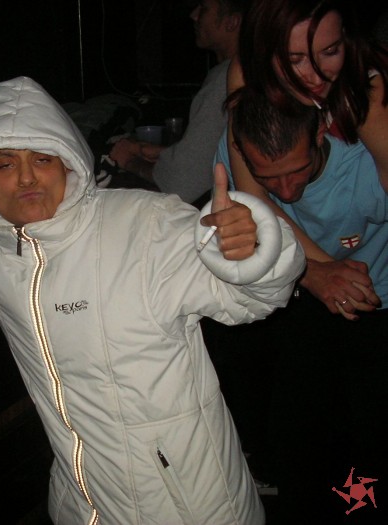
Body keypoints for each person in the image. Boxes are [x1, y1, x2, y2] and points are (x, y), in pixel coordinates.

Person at [0, 76, 305, 524]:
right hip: (84, 503)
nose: (26, 177)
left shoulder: (145, 227)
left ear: (67, 162)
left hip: (189, 506)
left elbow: (253, 297)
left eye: (42, 159)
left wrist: (251, 248)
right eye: (5, 164)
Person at [216, 87, 388, 524]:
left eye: (297, 170)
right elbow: (250, 235)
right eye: (269, 178)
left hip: (379, 295)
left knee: (371, 437)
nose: (286, 189)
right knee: (297, 433)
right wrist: (313, 272)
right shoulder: (235, 150)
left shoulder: (364, 162)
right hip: (296, 292)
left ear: (319, 136)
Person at [226, 0, 388, 319]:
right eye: (294, 59)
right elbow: (252, 197)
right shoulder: (246, 75)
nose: (315, 76)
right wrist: (317, 271)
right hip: (299, 276)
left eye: (330, 52)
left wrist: (337, 280)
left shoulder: (367, 95)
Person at [108, 0, 248, 205]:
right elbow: (219, 155)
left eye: (204, 8)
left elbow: (181, 184)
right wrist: (162, 153)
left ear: (231, 22)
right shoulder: (254, 69)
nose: (194, 15)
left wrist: (129, 160)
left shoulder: (225, 80)